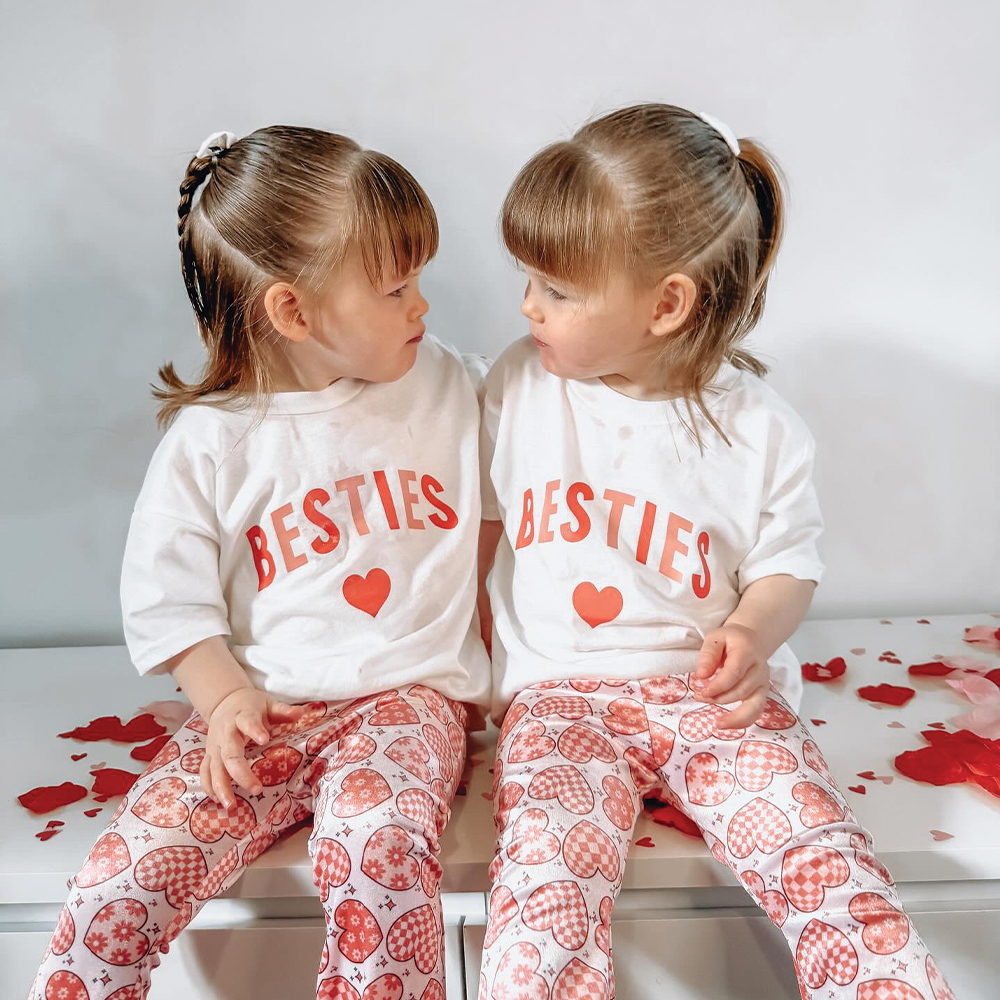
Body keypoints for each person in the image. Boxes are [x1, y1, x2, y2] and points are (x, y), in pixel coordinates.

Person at [476, 104, 957, 1000]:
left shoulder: (760, 431)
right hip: (562, 701)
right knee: (541, 896)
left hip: (714, 703)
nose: (527, 304)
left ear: (666, 304)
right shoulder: (518, 385)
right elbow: (488, 530)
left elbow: (787, 564)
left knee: (828, 867)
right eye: (529, 278)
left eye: (558, 288)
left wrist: (752, 629)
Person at [28, 125, 490, 1000]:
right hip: (261, 708)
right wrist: (223, 697)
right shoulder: (213, 442)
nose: (422, 306)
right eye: (397, 288)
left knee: (377, 845)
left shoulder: (452, 388)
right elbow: (170, 600)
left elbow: (559, 421)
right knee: (114, 886)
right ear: (293, 311)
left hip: (404, 701)